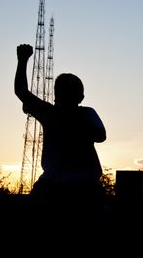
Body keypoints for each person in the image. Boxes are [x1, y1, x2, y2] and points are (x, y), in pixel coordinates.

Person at [15, 44, 107, 212]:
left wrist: (22, 60)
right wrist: (22, 61)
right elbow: (21, 92)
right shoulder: (55, 113)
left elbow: (100, 135)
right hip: (61, 186)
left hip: (81, 187)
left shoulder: (74, 114)